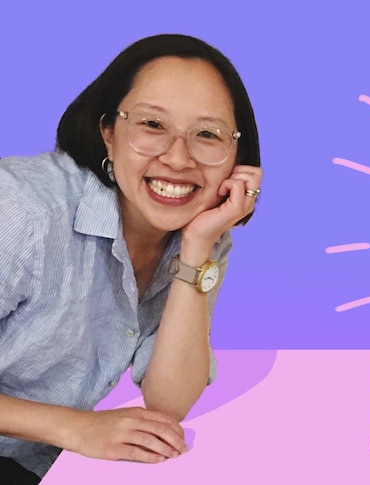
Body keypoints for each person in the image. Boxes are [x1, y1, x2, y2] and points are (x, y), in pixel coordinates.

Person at [0, 34, 263, 483]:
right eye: (152, 125)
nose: (178, 157)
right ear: (108, 132)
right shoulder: (22, 209)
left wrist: (197, 248)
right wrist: (78, 427)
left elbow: (169, 402)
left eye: (207, 134)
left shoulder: (202, 234)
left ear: (236, 156)